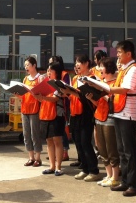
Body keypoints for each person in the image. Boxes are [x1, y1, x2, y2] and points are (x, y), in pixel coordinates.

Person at [109, 40, 136, 197]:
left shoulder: (134, 69)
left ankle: (134, 185)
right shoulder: (124, 69)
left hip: (129, 114)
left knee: (130, 151)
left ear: (128, 54)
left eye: (120, 52)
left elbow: (126, 88)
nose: (117, 55)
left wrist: (107, 89)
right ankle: (126, 181)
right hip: (119, 112)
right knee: (122, 150)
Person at [60, 54, 101, 182]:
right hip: (74, 113)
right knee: (78, 142)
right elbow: (73, 96)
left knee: (85, 142)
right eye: (76, 62)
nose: (77, 65)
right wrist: (67, 92)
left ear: (87, 64)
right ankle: (85, 168)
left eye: (79, 62)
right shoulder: (75, 78)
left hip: (86, 114)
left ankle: (94, 170)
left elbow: (88, 97)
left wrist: (72, 92)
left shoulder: (92, 78)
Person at [90, 57, 120, 188]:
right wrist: (91, 98)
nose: (99, 69)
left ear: (108, 68)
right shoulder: (101, 82)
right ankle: (108, 175)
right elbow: (98, 103)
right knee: (102, 148)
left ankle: (115, 177)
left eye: (101, 66)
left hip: (110, 119)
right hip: (99, 117)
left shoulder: (116, 83)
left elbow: (114, 102)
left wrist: (105, 93)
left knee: (111, 148)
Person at [35, 61, 66, 176]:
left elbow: (55, 98)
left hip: (57, 115)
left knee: (57, 140)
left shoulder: (59, 84)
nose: (48, 72)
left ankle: (58, 167)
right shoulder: (45, 83)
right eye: (47, 70)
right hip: (45, 114)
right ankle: (51, 166)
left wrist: (43, 97)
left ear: (56, 72)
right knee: (48, 141)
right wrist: (38, 96)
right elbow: (42, 99)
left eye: (50, 71)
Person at [20, 56, 43, 168]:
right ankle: (31, 157)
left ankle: (38, 158)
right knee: (26, 134)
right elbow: (23, 95)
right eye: (25, 65)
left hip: (35, 109)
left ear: (34, 65)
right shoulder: (25, 79)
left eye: (28, 65)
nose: (26, 67)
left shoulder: (40, 78)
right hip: (25, 108)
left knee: (35, 134)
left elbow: (42, 94)